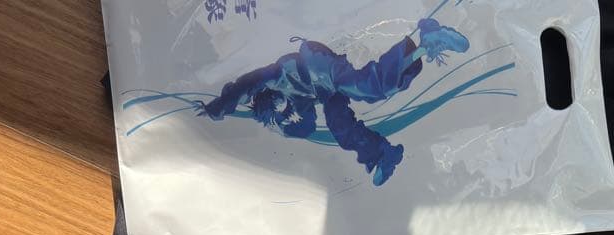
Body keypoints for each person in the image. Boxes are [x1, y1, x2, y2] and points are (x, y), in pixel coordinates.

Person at [197, 18, 469, 184]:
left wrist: (218, 108)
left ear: (268, 98)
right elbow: (307, 127)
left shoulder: (273, 77)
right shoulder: (296, 105)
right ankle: (380, 154)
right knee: (339, 125)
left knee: (365, 88)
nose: (284, 109)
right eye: (281, 111)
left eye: (277, 107)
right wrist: (283, 127)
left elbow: (244, 85)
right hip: (326, 91)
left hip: (317, 65)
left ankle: (425, 38)